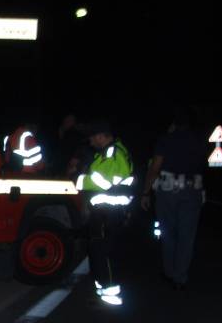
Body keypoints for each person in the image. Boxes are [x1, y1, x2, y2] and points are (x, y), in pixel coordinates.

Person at [140, 107, 206, 290]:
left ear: (173, 124)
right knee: (187, 235)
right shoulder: (199, 141)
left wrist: (145, 193)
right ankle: (180, 277)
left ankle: (169, 272)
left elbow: (155, 167)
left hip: (167, 190)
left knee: (168, 232)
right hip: (192, 190)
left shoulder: (166, 140)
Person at [76, 119, 135, 306]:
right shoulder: (110, 152)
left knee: (103, 251)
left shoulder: (112, 153)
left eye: (93, 137)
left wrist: (79, 179)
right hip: (106, 209)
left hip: (108, 210)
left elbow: (103, 181)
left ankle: (110, 294)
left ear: (102, 136)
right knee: (98, 250)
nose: (91, 142)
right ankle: (103, 290)